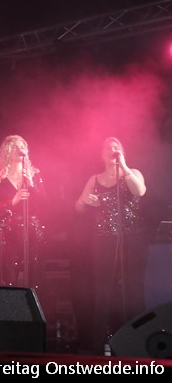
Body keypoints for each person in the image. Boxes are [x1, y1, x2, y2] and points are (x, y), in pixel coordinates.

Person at [74, 137, 148, 354]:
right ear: (102, 154)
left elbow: (139, 191)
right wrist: (85, 202)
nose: (113, 149)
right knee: (103, 291)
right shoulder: (94, 179)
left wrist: (123, 166)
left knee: (134, 290)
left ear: (122, 152)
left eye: (117, 147)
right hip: (103, 240)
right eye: (109, 147)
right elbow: (78, 206)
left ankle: (137, 342)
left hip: (133, 239)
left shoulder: (133, 172)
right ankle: (98, 345)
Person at [0, 134, 46, 288]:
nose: (19, 149)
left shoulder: (34, 175)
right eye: (15, 146)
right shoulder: (0, 180)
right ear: (7, 151)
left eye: (22, 146)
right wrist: (13, 201)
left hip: (33, 228)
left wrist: (32, 185)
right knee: (9, 274)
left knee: (34, 272)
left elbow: (45, 203)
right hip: (10, 230)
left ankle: (34, 301)